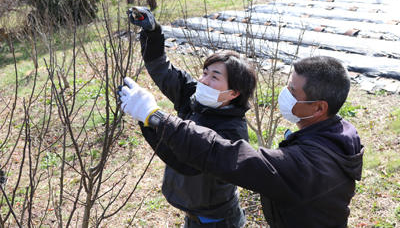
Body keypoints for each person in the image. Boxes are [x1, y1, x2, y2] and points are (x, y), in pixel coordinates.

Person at [119, 55, 364, 228]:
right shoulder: (338, 132)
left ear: (319, 107)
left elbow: (225, 154)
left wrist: (157, 118)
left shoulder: (306, 164)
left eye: (292, 91)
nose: (284, 93)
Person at [125, 7, 257, 227]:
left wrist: (151, 118)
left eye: (214, 77)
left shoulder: (232, 134)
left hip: (219, 221)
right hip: (193, 216)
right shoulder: (194, 98)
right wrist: (152, 32)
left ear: (234, 93)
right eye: (205, 72)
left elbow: (189, 162)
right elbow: (161, 68)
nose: (204, 81)